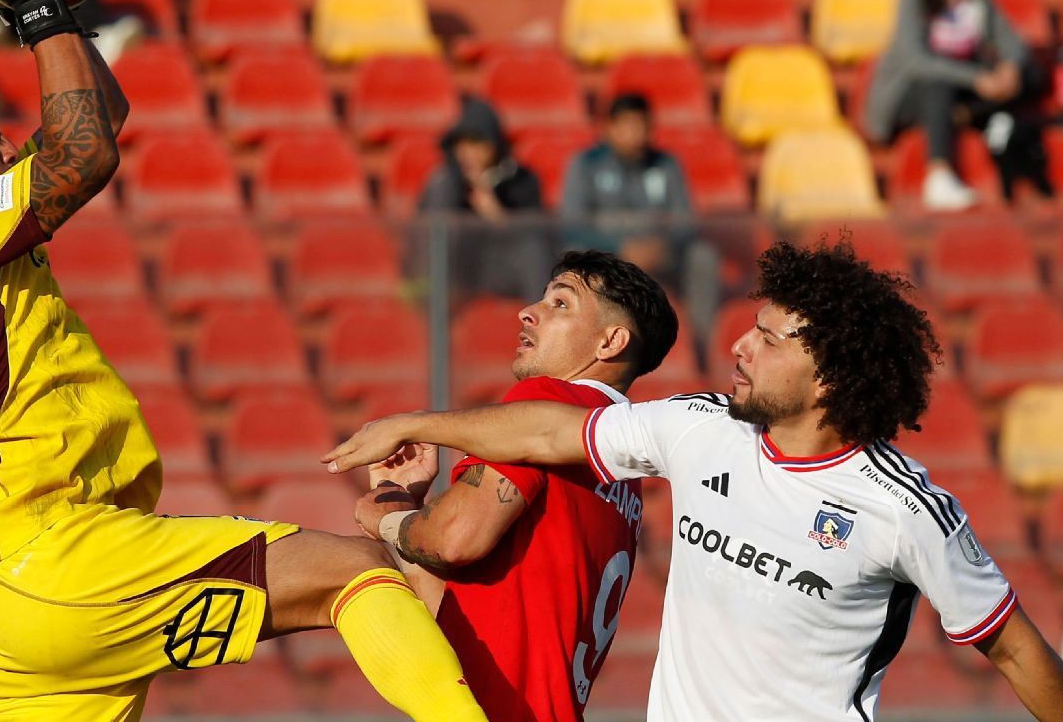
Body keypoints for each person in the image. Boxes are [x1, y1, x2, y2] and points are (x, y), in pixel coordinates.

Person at [0, 0, 487, 720]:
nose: (5, 146)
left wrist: (61, 17)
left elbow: (101, 120)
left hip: (10, 607)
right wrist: (36, 13)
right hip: (60, 558)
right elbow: (81, 156)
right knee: (351, 567)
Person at [325, 241, 1063, 721]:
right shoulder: (699, 428)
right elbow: (549, 433)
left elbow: (1016, 650)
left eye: (767, 338)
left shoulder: (904, 508)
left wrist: (387, 512)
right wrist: (416, 422)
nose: (738, 344)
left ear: (829, 376)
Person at [353, 250, 678, 722]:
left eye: (560, 303)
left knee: (340, 568)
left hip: (498, 713)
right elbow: (464, 615)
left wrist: (385, 513)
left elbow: (453, 539)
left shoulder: (549, 402)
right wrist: (406, 503)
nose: (528, 312)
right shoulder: (621, 472)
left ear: (610, 342)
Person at [560, 92, 719, 358]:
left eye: (641, 125)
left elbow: (685, 221)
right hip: (607, 258)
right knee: (572, 254)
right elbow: (572, 224)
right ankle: (577, 348)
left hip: (661, 255)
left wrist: (661, 246)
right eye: (627, 125)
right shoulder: (586, 165)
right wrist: (619, 248)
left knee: (703, 257)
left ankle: (702, 348)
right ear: (610, 128)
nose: (635, 134)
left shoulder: (667, 165)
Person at [866, 0, 1045, 210]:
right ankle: (939, 174)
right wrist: (975, 78)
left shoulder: (979, 0)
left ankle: (964, 113)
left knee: (1030, 76)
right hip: (910, 94)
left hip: (961, 91)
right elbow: (915, 61)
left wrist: (1011, 68)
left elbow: (1012, 43)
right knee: (937, 86)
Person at [419, 96, 551, 301]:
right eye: (461, 144)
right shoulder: (445, 183)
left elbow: (537, 239)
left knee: (533, 251)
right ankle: (436, 308)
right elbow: (429, 236)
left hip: (499, 269)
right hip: (458, 270)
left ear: (494, 144)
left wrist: (497, 216)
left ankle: (542, 317)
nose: (468, 153)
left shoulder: (520, 180)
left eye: (477, 143)